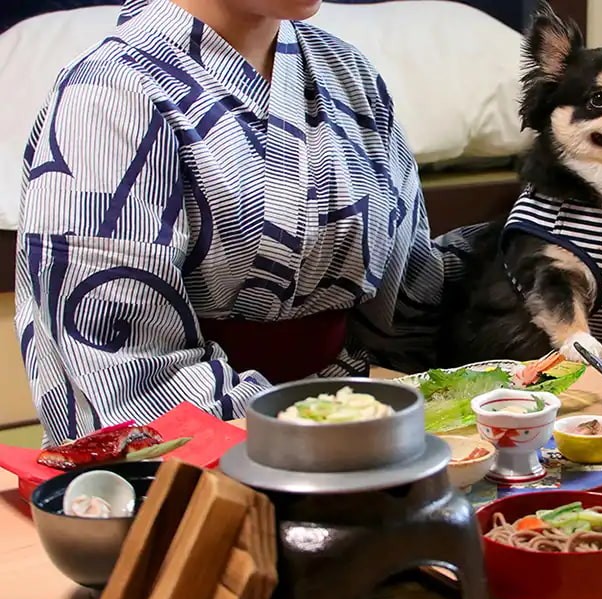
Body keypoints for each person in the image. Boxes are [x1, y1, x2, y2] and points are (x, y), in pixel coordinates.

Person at [14, 0, 479, 445]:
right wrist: (329, 419)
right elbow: (123, 362)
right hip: (197, 455)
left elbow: (412, 292)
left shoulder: (347, 71)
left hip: (356, 418)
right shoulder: (106, 94)